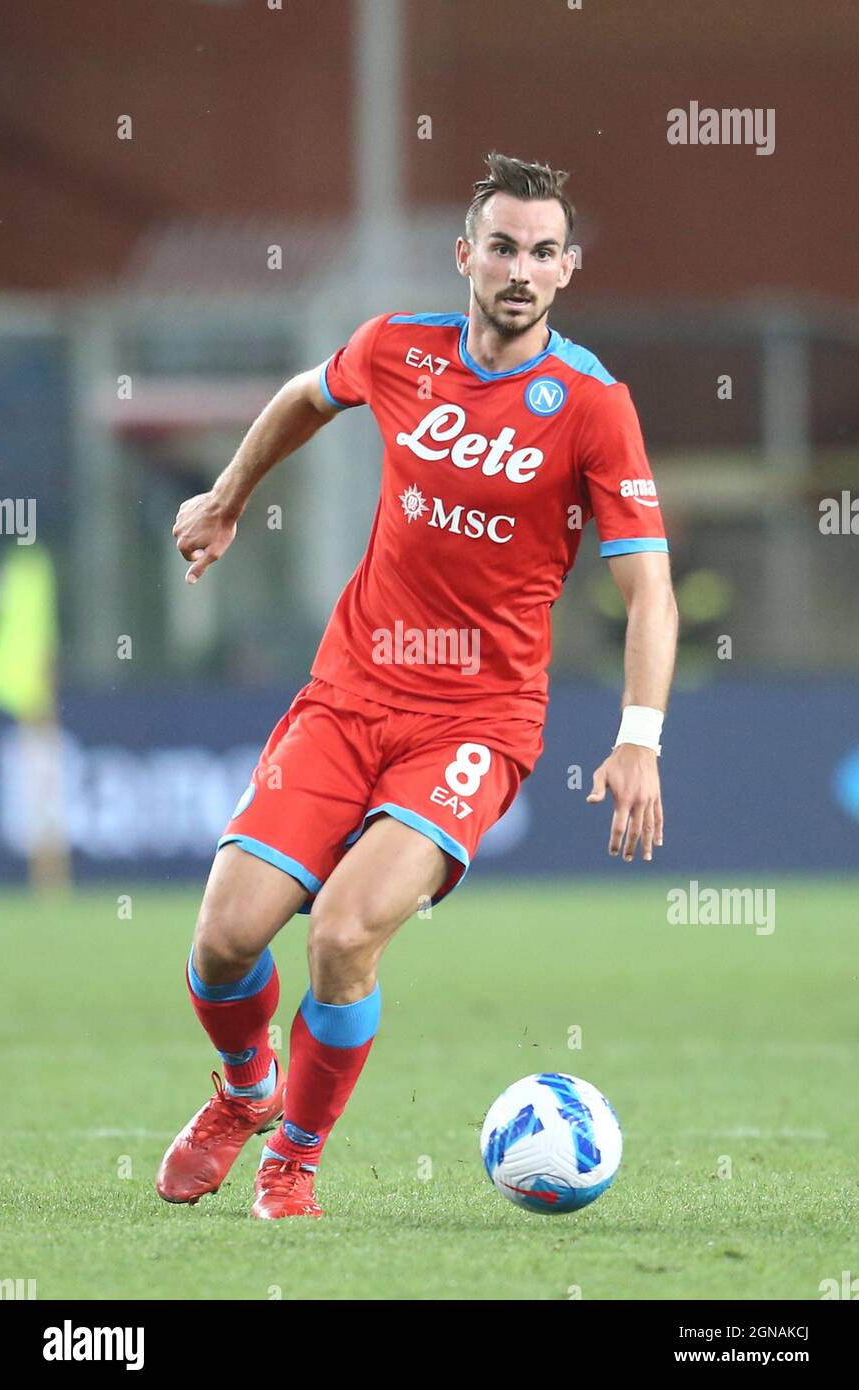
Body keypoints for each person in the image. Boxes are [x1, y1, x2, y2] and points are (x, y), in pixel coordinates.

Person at [156, 151, 679, 1220]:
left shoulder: (589, 405)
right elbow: (305, 398)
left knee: (343, 933)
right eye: (500, 247)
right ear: (466, 256)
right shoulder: (395, 347)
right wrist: (226, 493)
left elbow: (650, 589)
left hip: (475, 722)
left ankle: (293, 1155)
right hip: (347, 691)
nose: (518, 268)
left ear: (565, 269)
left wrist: (638, 735)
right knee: (222, 936)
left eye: (540, 251)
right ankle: (246, 1087)